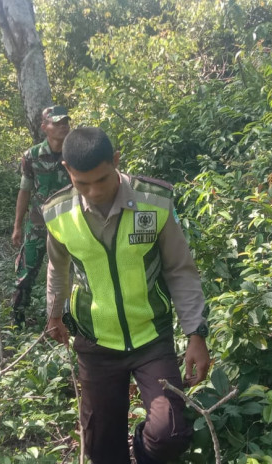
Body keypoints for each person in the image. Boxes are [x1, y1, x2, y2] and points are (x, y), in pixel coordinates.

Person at [43, 127, 211, 463]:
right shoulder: (58, 212)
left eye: (102, 180)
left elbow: (180, 270)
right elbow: (57, 268)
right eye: (82, 183)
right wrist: (54, 313)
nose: (94, 191)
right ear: (67, 170)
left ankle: (143, 452)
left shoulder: (154, 202)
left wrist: (196, 334)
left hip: (151, 338)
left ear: (116, 161)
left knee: (170, 432)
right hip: (95, 342)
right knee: (101, 447)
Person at [11, 105, 72, 326]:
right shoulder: (32, 156)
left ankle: (70, 319)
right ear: (44, 127)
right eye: (56, 122)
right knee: (25, 272)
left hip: (70, 224)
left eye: (65, 121)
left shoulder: (75, 152)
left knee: (73, 274)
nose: (63, 126)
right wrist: (17, 225)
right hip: (38, 223)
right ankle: (17, 319)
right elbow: (24, 190)